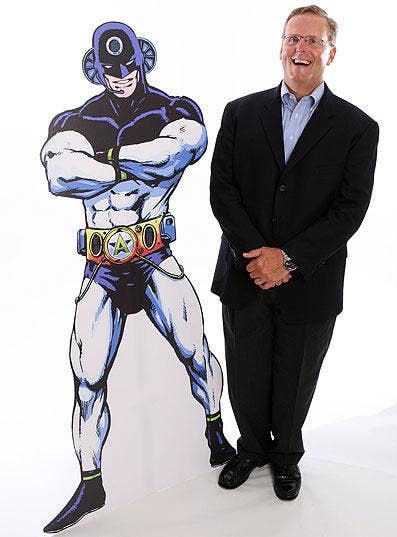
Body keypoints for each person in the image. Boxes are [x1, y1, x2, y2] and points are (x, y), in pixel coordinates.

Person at [40, 21, 234, 533]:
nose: (122, 75)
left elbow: (176, 153)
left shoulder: (174, 110)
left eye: (128, 64)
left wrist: (100, 162)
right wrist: (137, 164)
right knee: (87, 379)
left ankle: (216, 434)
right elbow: (60, 173)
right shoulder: (76, 120)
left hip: (154, 257)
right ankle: (91, 485)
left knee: (196, 352)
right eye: (111, 68)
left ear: (142, 59)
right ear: (97, 69)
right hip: (102, 266)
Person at [210, 5, 379, 500]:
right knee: (246, 370)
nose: (300, 49)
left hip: (310, 279)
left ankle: (285, 456)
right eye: (292, 39)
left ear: (331, 53)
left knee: (296, 373)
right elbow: (223, 192)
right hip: (244, 272)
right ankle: (251, 450)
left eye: (312, 41)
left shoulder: (358, 128)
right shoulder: (240, 113)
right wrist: (256, 254)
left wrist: (287, 259)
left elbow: (350, 210)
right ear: (281, 46)